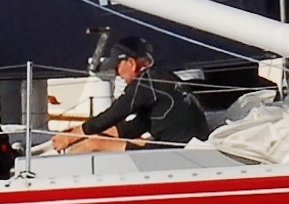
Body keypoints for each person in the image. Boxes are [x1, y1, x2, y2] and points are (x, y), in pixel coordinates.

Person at [50, 36, 208, 152]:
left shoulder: (145, 82)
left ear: (131, 63)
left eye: (117, 67)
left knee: (94, 145)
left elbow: (115, 113)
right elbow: (136, 126)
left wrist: (73, 136)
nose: (117, 74)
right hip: (192, 147)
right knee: (100, 139)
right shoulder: (162, 76)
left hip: (179, 152)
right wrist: (81, 132)